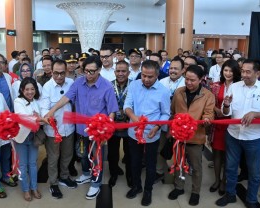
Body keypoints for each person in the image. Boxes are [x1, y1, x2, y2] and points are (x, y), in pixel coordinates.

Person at [44, 55, 118, 200]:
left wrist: (106, 133)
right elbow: (66, 98)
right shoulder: (78, 83)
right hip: (81, 129)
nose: (88, 75)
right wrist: (51, 111)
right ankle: (85, 173)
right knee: (82, 154)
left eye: (92, 71)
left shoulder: (107, 86)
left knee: (97, 158)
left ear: (99, 70)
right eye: (86, 71)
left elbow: (112, 111)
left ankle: (96, 184)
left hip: (98, 132)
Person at [215, 59, 260, 208]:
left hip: (254, 137)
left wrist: (256, 113)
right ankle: (230, 194)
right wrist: (227, 105)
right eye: (243, 71)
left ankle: (251, 200)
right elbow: (225, 112)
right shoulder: (235, 87)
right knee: (230, 167)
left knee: (254, 172)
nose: (244, 75)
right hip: (233, 134)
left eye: (248, 72)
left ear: (258, 73)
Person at [124, 60, 171, 206]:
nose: (146, 79)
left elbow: (165, 114)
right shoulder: (134, 85)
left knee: (151, 164)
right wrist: (134, 118)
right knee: (135, 161)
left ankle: (148, 190)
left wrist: (157, 127)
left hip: (152, 133)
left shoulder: (163, 91)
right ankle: (136, 186)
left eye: (150, 77)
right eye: (143, 75)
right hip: (134, 131)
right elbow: (127, 105)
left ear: (157, 75)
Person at [168, 65, 215, 206]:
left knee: (196, 167)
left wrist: (207, 120)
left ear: (201, 79)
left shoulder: (208, 95)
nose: (188, 82)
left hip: (196, 136)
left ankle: (195, 192)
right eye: (186, 79)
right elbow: (172, 112)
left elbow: (209, 114)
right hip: (179, 136)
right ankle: (179, 187)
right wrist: (172, 129)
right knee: (178, 163)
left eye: (192, 80)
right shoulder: (178, 92)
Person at [40, 59, 77, 199]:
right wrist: (47, 117)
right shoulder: (47, 87)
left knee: (67, 155)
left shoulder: (71, 83)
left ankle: (64, 176)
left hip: (69, 128)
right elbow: (44, 107)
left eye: (62, 73)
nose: (59, 76)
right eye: (56, 73)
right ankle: (53, 183)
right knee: (53, 157)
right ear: (51, 72)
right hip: (53, 130)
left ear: (66, 71)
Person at [209, 60, 241, 196]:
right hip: (218, 123)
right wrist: (216, 109)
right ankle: (217, 180)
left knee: (229, 155)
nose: (228, 73)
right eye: (226, 70)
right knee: (216, 153)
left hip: (232, 123)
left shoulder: (240, 86)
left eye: (231, 71)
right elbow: (209, 102)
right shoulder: (216, 85)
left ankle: (224, 181)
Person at [13, 77, 45, 201]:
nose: (30, 92)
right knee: (23, 165)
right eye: (27, 89)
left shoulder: (36, 101)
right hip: (21, 137)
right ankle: (26, 190)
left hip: (34, 137)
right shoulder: (18, 101)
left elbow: (40, 119)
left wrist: (37, 118)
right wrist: (36, 117)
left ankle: (34, 187)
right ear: (22, 89)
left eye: (32, 89)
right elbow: (24, 118)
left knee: (33, 164)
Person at [108, 60, 132, 188]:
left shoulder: (134, 85)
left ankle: (130, 175)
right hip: (113, 125)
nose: (121, 73)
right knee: (112, 153)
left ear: (128, 72)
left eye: (123, 71)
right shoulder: (108, 85)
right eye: (118, 71)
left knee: (129, 153)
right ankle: (113, 174)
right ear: (114, 72)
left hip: (129, 125)